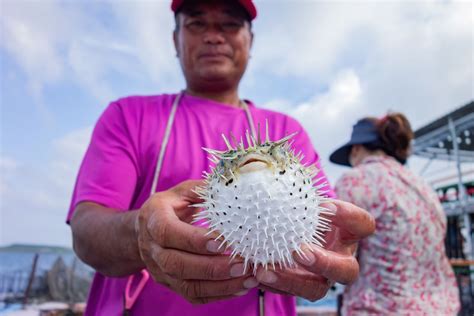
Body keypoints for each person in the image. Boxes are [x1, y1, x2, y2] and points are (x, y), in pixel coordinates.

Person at [67, 1, 375, 315]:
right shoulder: (128, 116)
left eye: (229, 24)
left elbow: (325, 225)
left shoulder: (287, 132)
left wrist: (336, 246)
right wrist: (141, 232)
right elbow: (86, 233)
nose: (214, 37)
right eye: (197, 24)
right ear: (176, 40)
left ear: (250, 41)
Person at [330, 113, 460, 315]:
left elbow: (337, 254)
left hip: (381, 308)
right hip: (442, 307)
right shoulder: (422, 186)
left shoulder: (355, 179)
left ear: (356, 149)